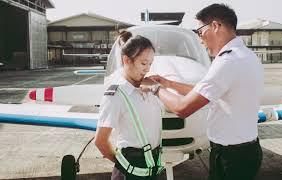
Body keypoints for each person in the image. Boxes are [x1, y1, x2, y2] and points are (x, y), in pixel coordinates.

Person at [147, 3, 263, 180]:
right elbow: (206, 91)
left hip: (231, 157)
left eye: (199, 32)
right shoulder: (246, 55)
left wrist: (155, 88)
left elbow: (182, 108)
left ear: (215, 26)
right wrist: (169, 83)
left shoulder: (227, 62)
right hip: (246, 151)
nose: (200, 40)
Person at [95, 30, 163, 180]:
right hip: (129, 172)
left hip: (153, 169)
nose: (147, 69)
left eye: (150, 63)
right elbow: (100, 141)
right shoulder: (116, 94)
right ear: (126, 60)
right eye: (143, 63)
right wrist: (125, 166)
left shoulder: (150, 89)